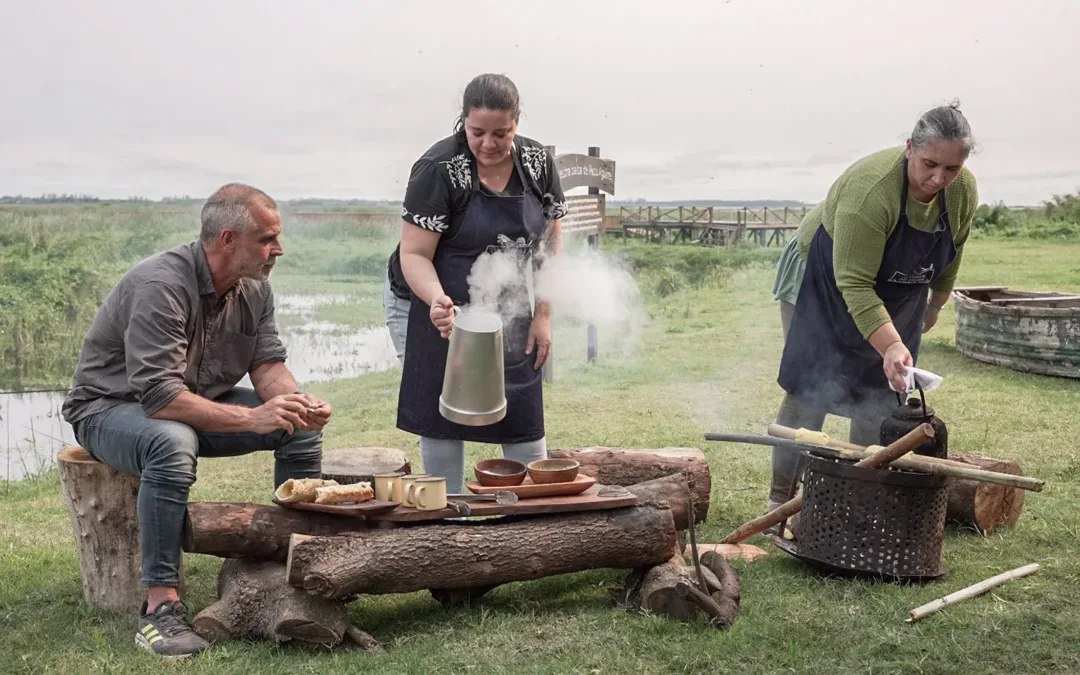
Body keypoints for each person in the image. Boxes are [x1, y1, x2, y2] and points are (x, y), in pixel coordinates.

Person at [61, 184, 333, 658]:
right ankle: (159, 610)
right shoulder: (160, 286)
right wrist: (251, 418)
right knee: (172, 440)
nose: (279, 249)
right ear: (228, 239)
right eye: (268, 239)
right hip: (109, 409)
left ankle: (297, 565)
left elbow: (267, 365)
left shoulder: (255, 289)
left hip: (192, 401)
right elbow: (162, 397)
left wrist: (295, 402)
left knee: (298, 425)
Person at [768, 102, 978, 513]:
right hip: (823, 274)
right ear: (909, 149)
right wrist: (890, 344)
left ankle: (853, 498)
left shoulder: (962, 189)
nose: (939, 179)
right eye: (929, 164)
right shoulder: (870, 193)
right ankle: (780, 500)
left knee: (883, 391)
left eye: (951, 169)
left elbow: (953, 250)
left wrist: (935, 303)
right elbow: (854, 283)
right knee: (809, 387)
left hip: (896, 284)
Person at [395, 73, 567, 494]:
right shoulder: (439, 168)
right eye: (477, 133)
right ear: (463, 123)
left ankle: (527, 523)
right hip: (440, 303)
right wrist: (438, 300)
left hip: (510, 307)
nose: (488, 144)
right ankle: (446, 516)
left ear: (517, 122)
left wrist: (543, 316)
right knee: (441, 415)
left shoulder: (538, 163)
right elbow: (414, 254)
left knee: (523, 416)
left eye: (501, 133)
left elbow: (550, 245)